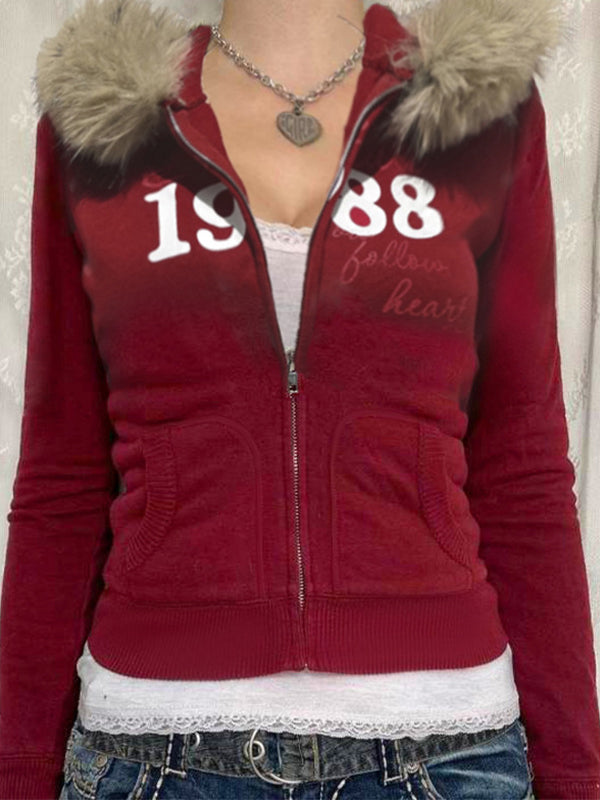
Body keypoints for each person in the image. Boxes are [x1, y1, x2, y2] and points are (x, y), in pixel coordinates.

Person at [1, 0, 599, 797]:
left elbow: (522, 470)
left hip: (445, 753)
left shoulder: (477, 111)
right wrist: (20, 768)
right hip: (153, 756)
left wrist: (576, 773)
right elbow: (62, 482)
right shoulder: (104, 121)